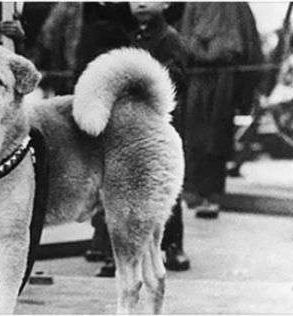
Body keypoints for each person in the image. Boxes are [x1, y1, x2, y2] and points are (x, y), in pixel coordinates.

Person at [79, 2, 190, 276]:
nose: (140, 2)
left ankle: (173, 244)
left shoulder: (169, 38)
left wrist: (144, 78)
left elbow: (177, 77)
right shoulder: (126, 36)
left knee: (160, 186)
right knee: (120, 186)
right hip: (127, 124)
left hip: (157, 121)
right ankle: (114, 250)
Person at [180, 2, 264, 218]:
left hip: (224, 74)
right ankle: (194, 192)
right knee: (194, 133)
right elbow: (184, 37)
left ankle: (212, 195)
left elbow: (249, 44)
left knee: (216, 135)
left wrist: (246, 88)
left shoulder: (236, 5)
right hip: (196, 73)